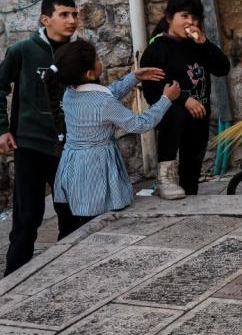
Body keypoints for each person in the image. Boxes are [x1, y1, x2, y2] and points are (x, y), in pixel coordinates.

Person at [0, 0, 81, 275]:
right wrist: (1, 130)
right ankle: (12, 281)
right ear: (45, 19)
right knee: (27, 218)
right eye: (64, 14)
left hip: (69, 148)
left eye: (74, 14)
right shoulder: (23, 51)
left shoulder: (79, 52)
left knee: (72, 215)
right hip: (30, 146)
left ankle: (66, 274)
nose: (71, 20)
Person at [45, 41, 180, 235]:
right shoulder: (102, 102)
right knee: (97, 223)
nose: (101, 61)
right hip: (95, 167)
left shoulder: (70, 93)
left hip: (74, 165)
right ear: (89, 74)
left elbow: (107, 95)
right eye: (97, 59)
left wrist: (133, 77)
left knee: (76, 222)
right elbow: (139, 124)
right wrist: (166, 99)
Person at [140, 0, 231, 199]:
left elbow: (222, 68)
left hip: (199, 114)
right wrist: (184, 100)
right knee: (176, 117)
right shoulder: (158, 49)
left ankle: (190, 195)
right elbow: (153, 91)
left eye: (195, 17)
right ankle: (166, 179)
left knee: (193, 165)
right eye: (185, 16)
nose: (191, 22)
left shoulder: (197, 45)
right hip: (172, 116)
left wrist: (205, 43)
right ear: (169, 17)